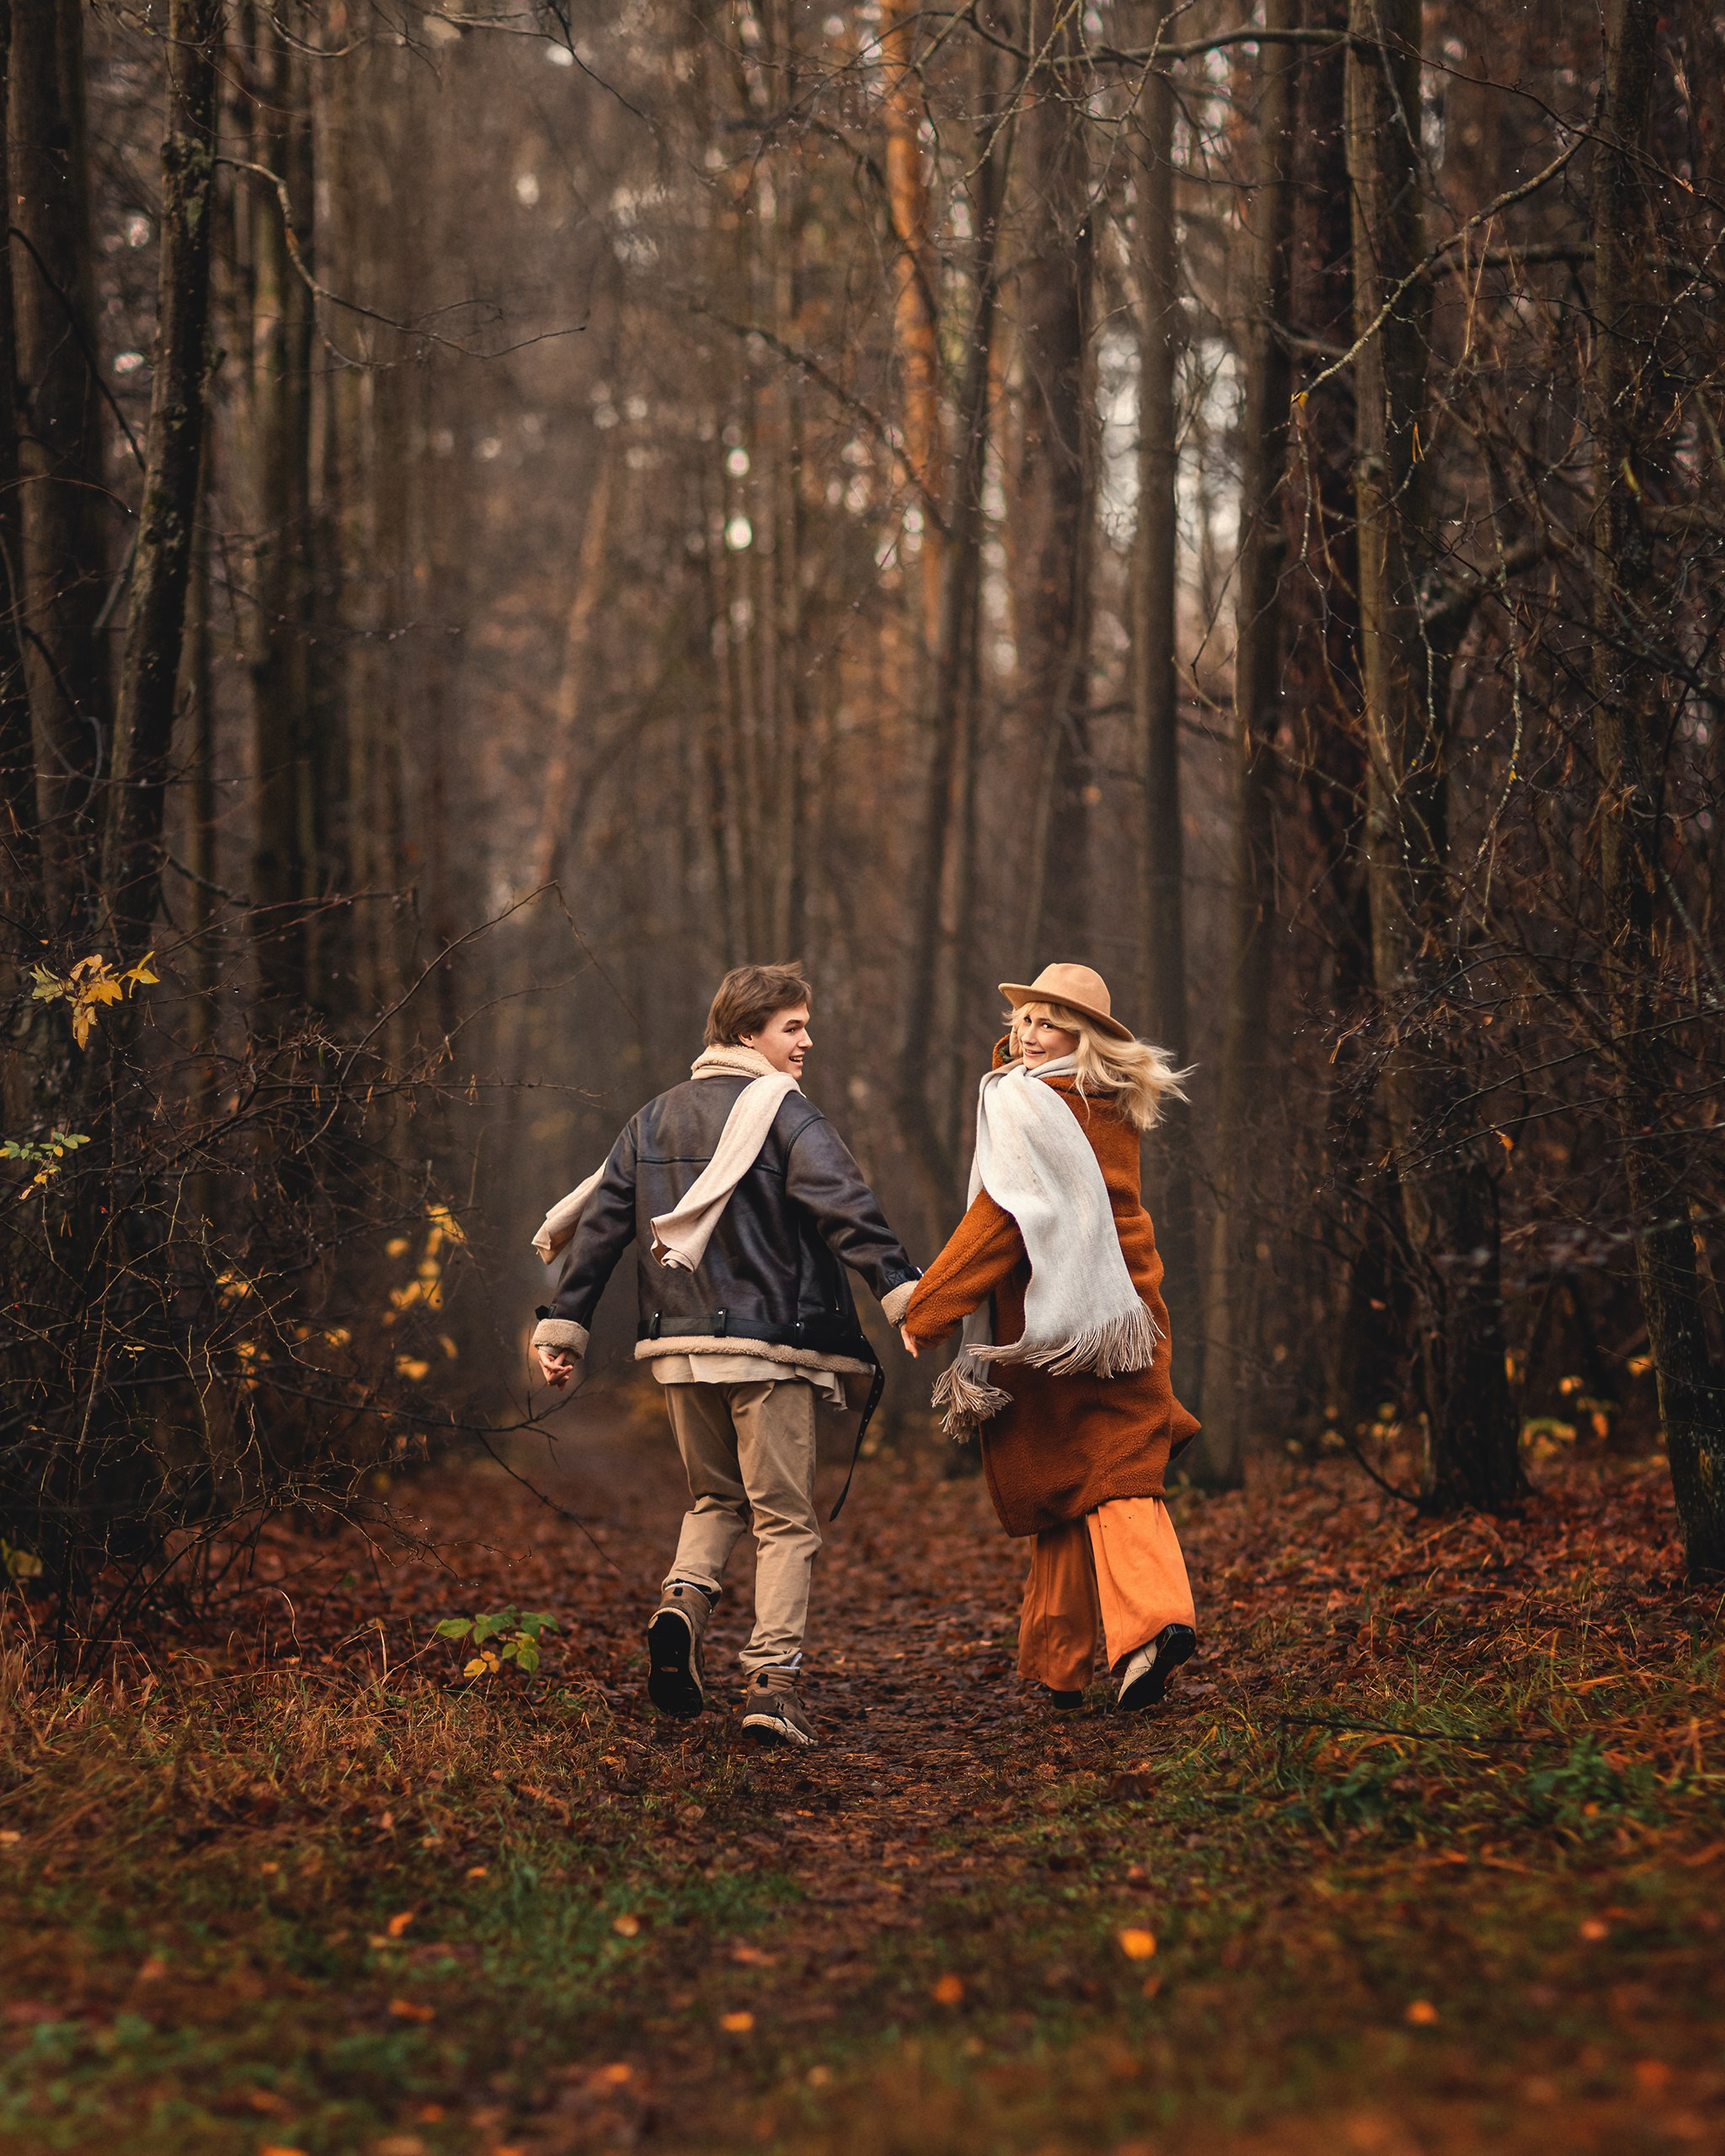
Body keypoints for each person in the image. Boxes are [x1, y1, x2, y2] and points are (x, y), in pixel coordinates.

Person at [531, 962, 919, 1747]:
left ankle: (681, 1606)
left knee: (714, 1501)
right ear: (749, 1032)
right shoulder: (785, 1113)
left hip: (678, 1349)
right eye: (793, 1026)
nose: (807, 1041)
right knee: (785, 1521)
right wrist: (903, 1291)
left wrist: (562, 1326)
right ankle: (772, 1686)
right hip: (768, 1350)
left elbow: (603, 1228)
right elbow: (848, 1207)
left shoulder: (651, 1118)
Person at [900, 962, 1201, 1711]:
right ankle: (1067, 1661)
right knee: (1084, 1477)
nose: (1029, 1034)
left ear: (1085, 1036)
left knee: (1103, 1474)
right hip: (1120, 1315)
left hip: (1058, 1325)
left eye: (1048, 1022)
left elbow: (1002, 1219)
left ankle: (1142, 1632)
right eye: (1025, 1019)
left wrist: (928, 1309)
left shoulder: (1034, 1105)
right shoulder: (1108, 1101)